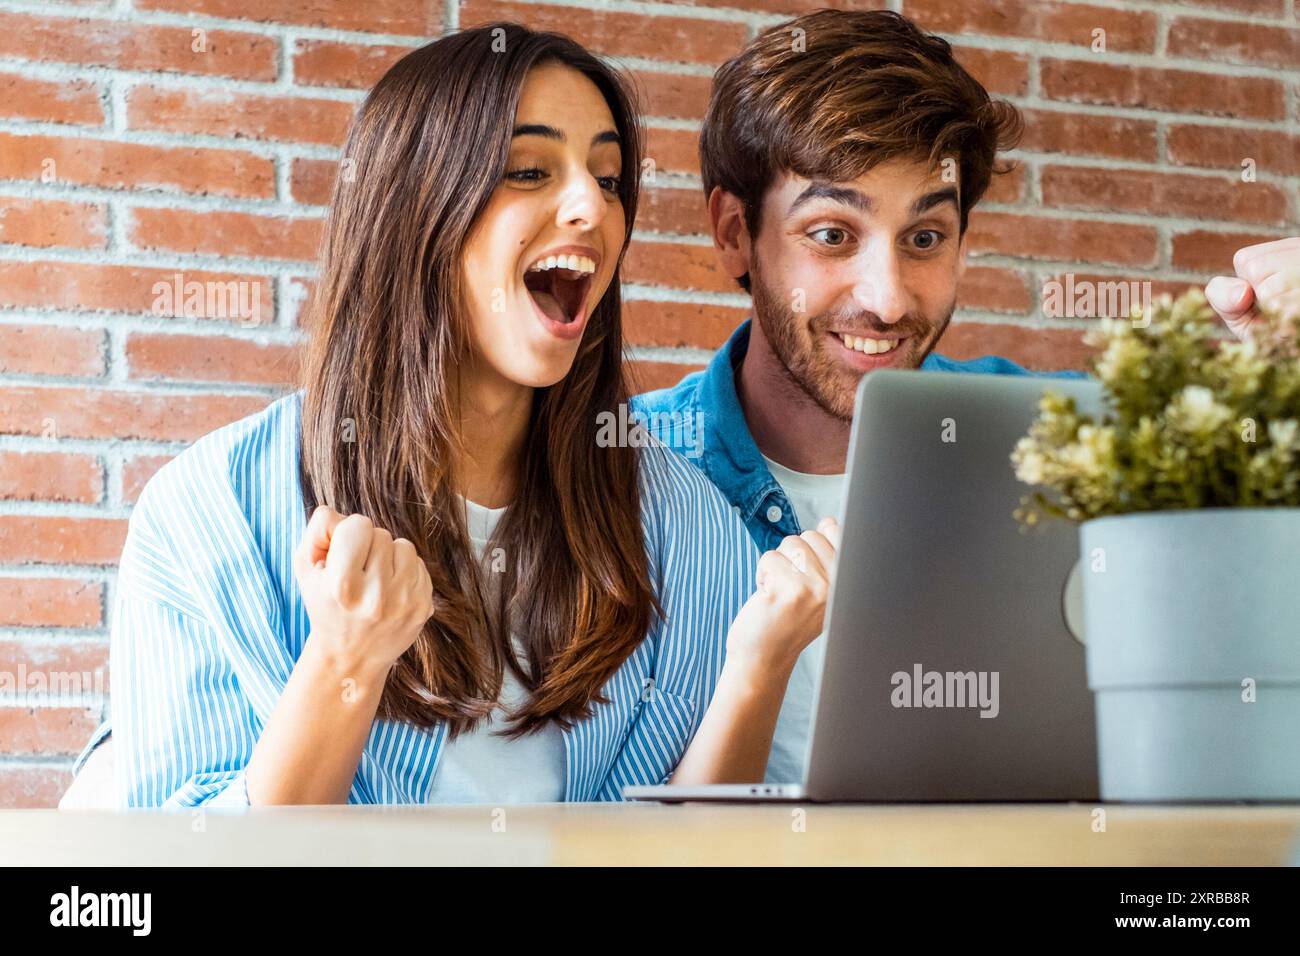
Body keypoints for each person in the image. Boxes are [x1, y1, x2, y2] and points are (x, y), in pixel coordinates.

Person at [59, 23, 838, 808]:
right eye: (530, 169)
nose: (591, 210)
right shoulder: (209, 515)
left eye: (607, 180)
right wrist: (343, 665)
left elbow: (689, 857)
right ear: (414, 210)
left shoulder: (690, 530)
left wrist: (760, 665)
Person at [632, 8, 1300, 785]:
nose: (886, 301)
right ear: (733, 233)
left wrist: (1273, 384)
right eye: (832, 234)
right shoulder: (630, 476)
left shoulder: (1058, 439)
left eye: (924, 239)